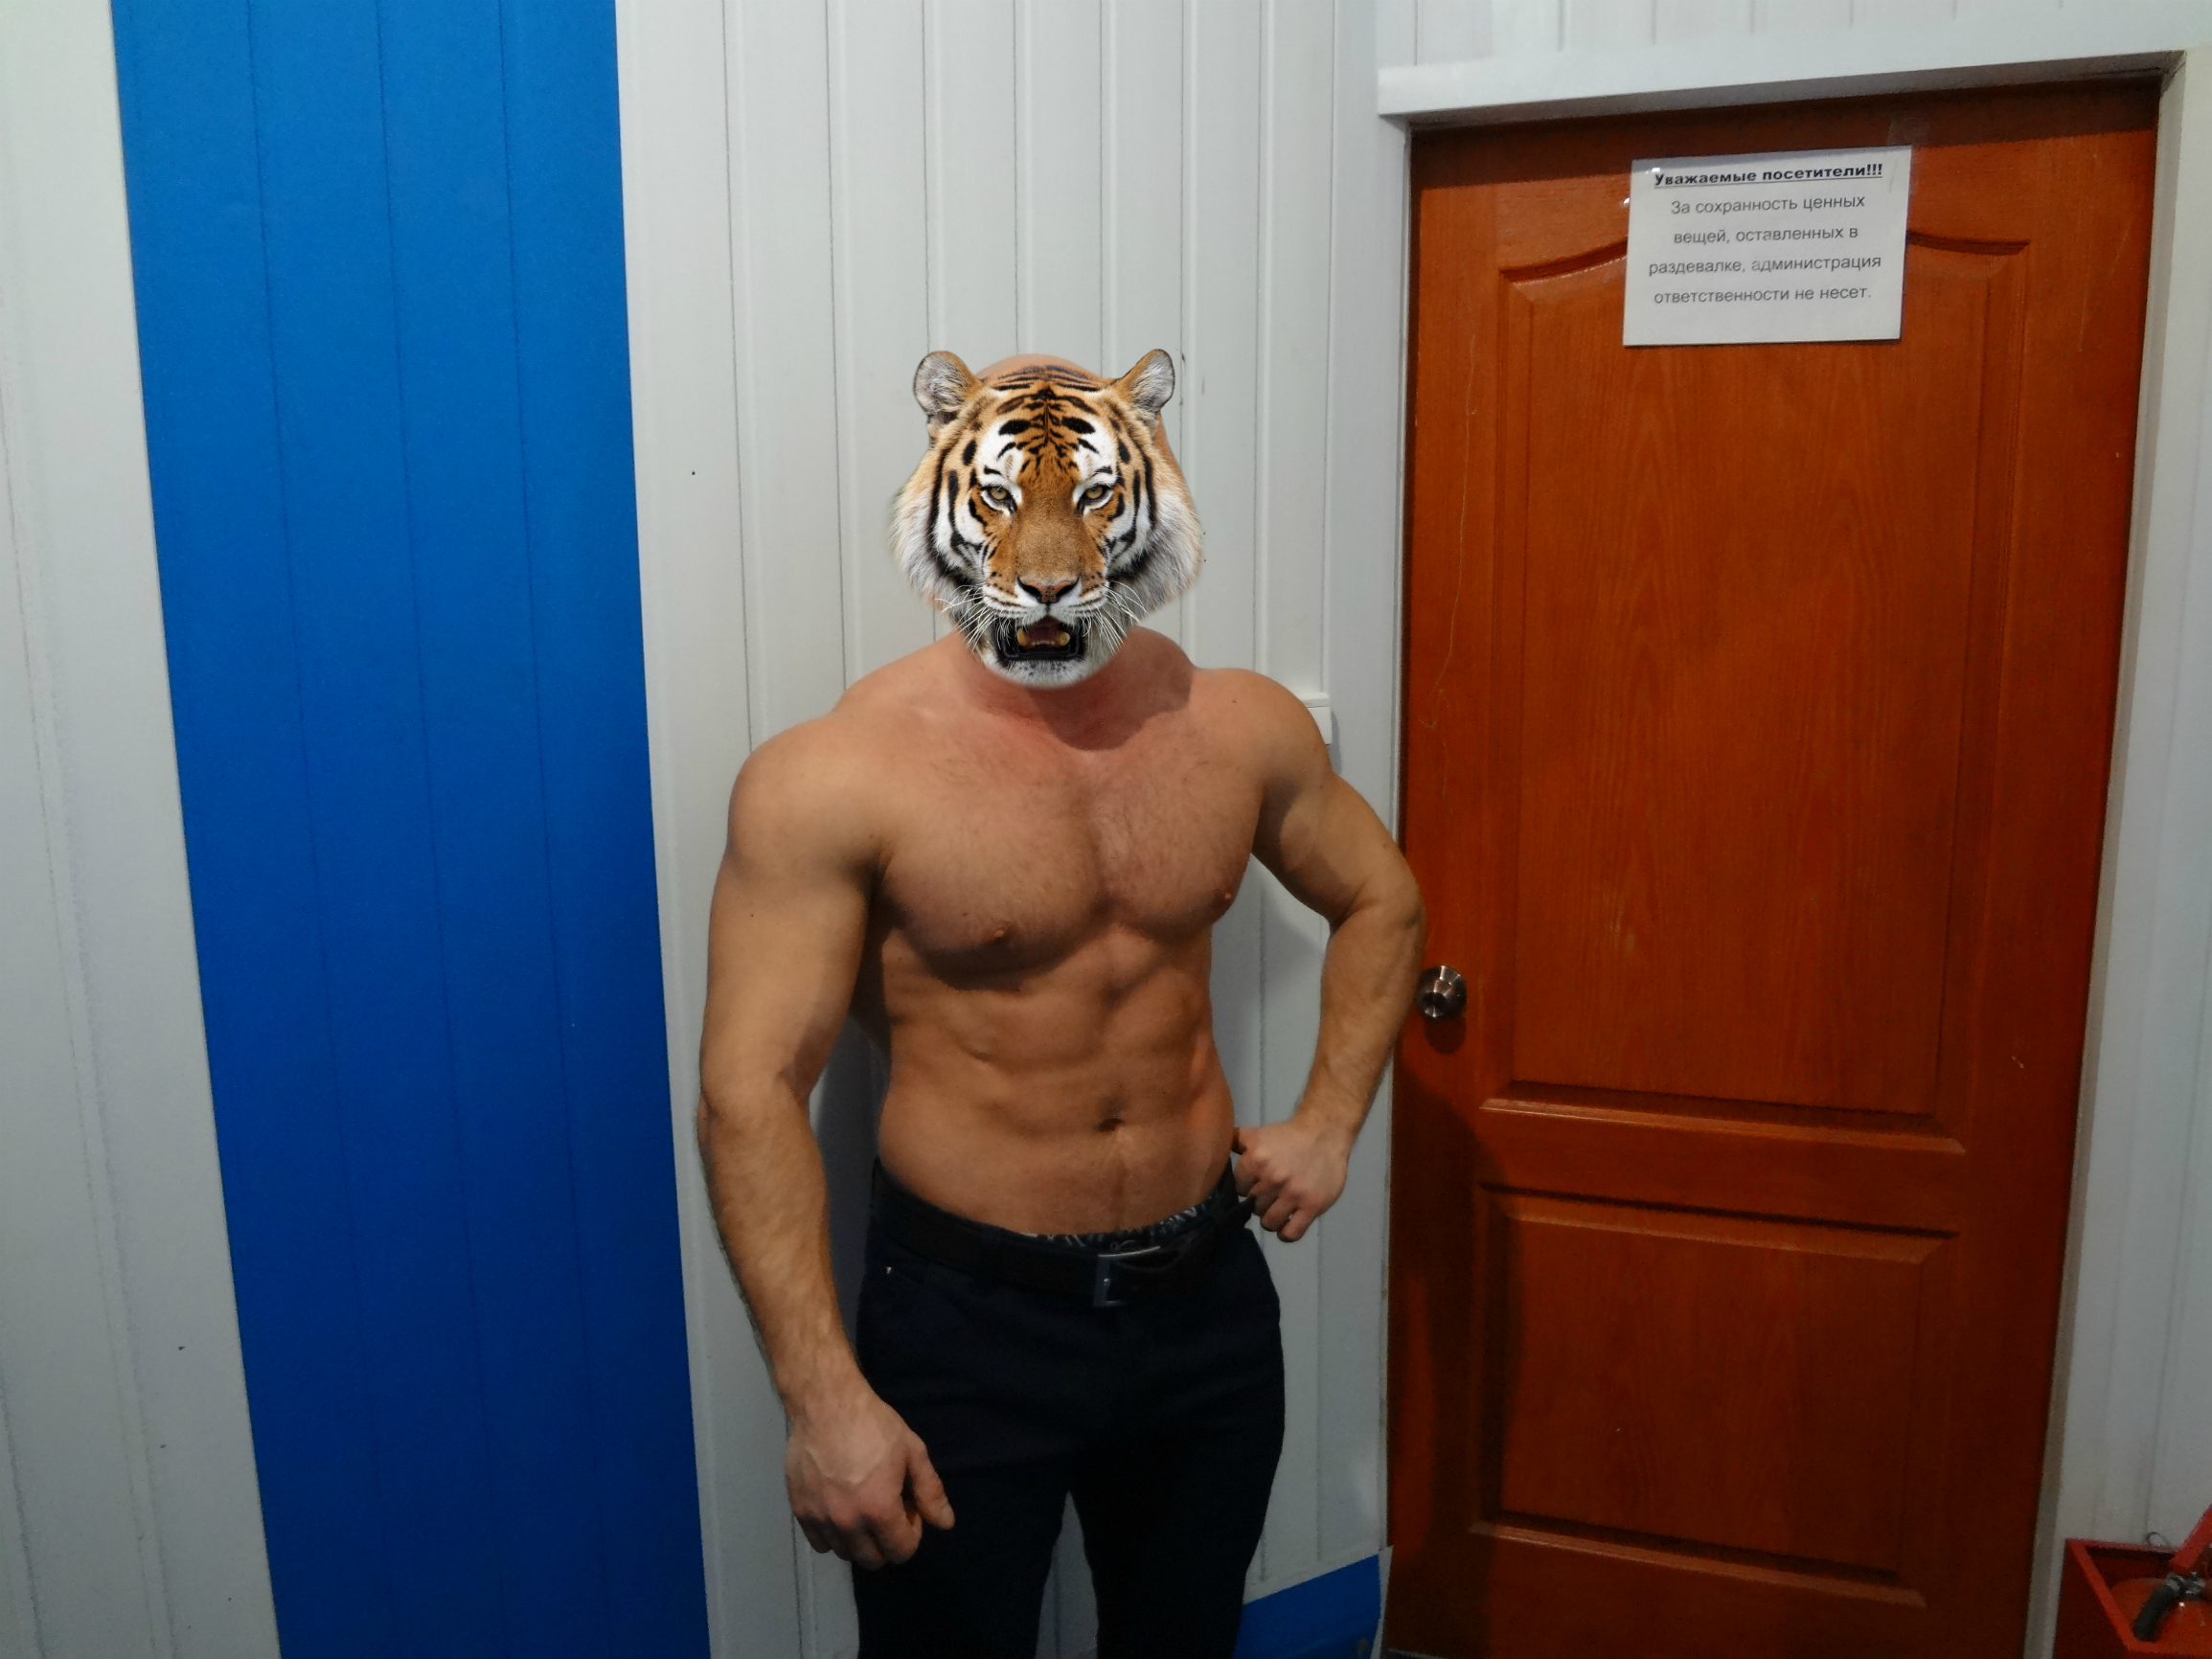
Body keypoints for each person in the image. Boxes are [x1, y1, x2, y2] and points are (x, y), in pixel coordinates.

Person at [696, 348, 1424, 1658]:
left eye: (1091, 500)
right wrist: (822, 1399)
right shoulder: (834, 774)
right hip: (967, 1324)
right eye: (1001, 503)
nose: (1046, 558)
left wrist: (1327, 1125)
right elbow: (747, 1091)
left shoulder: (1240, 726)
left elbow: (1382, 899)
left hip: (1205, 1303)